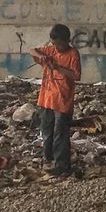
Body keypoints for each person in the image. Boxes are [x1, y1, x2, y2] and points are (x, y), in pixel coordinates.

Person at [30, 24, 82, 177]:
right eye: (54, 43)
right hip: (46, 99)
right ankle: (49, 159)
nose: (57, 47)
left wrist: (57, 67)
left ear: (67, 41)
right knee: (47, 131)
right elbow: (32, 50)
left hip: (62, 101)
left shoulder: (73, 54)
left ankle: (62, 165)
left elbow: (76, 76)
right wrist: (41, 57)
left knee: (60, 133)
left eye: (59, 44)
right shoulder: (51, 50)